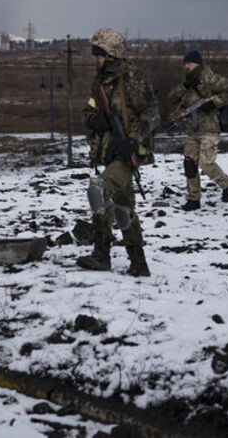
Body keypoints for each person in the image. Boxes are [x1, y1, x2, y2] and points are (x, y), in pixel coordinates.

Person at [77, 28, 159, 276]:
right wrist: (96, 120)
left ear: (111, 55)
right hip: (108, 152)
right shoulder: (99, 83)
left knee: (98, 190)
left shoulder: (133, 78)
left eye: (99, 55)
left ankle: (102, 254)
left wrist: (132, 140)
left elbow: (153, 113)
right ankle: (138, 262)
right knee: (123, 206)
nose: (96, 59)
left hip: (127, 151)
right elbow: (87, 113)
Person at [165, 50, 228, 211]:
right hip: (192, 130)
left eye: (189, 63)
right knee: (189, 164)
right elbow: (171, 98)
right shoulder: (188, 82)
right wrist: (184, 87)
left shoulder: (211, 78)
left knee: (206, 165)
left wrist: (214, 103)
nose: (186, 67)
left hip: (210, 129)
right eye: (185, 64)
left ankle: (227, 183)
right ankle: (194, 199)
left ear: (197, 63)